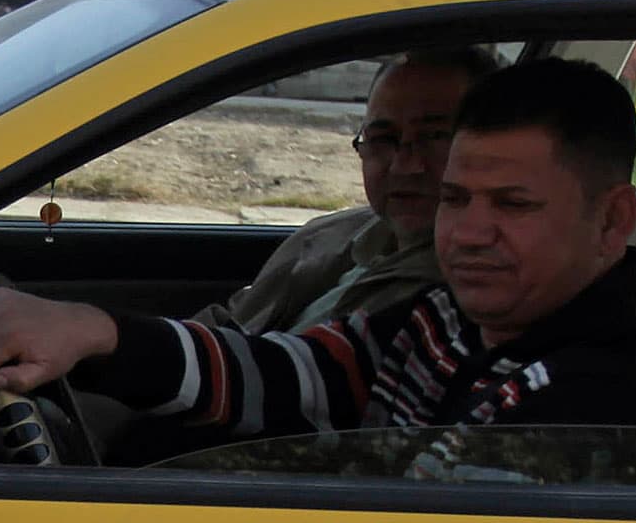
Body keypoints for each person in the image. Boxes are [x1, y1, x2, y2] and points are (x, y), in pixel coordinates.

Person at [0, 57, 636, 440]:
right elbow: (297, 374)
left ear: (610, 223)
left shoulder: (598, 401)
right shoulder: (449, 318)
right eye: (455, 198)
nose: (470, 232)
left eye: (513, 206)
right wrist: (99, 332)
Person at [190, 45, 497, 332]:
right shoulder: (325, 234)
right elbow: (232, 324)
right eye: (383, 138)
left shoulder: (470, 293)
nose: (404, 165)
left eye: (434, 137)